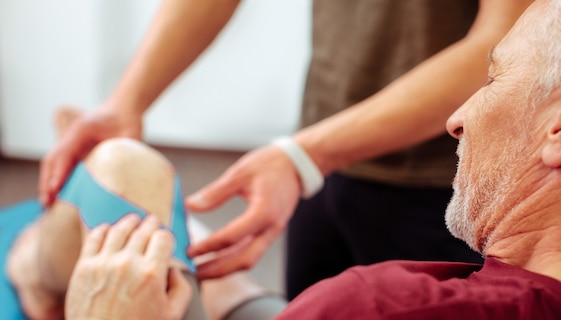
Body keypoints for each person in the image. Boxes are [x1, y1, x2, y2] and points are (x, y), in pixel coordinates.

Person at [29, 0, 561, 320]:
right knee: (226, 287)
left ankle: (40, 264)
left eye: (494, 79)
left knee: (129, 172)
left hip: (379, 268)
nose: (458, 117)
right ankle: (187, 247)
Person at [38, 0, 534, 300]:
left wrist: (304, 157)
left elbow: (502, 41)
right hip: (325, 156)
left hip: (453, 185)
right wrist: (128, 100)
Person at [6, 137, 286, 320]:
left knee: (127, 168)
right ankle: (179, 243)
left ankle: (38, 274)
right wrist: (302, 157)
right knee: (183, 251)